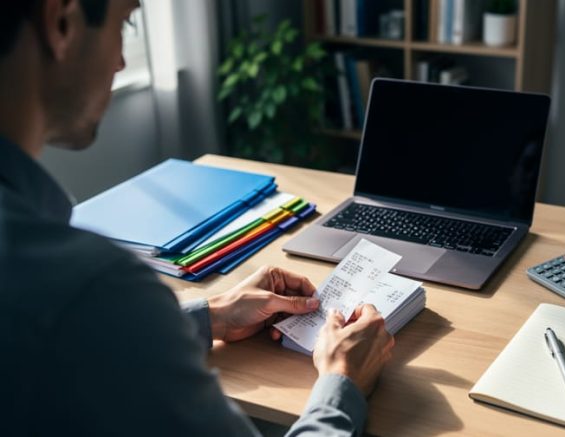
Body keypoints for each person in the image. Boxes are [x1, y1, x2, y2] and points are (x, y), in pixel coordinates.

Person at [0, 0, 394, 435]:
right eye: (125, 21)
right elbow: (87, 322)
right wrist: (343, 382)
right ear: (60, 22)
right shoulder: (90, 287)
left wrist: (212, 316)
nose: (121, 60)